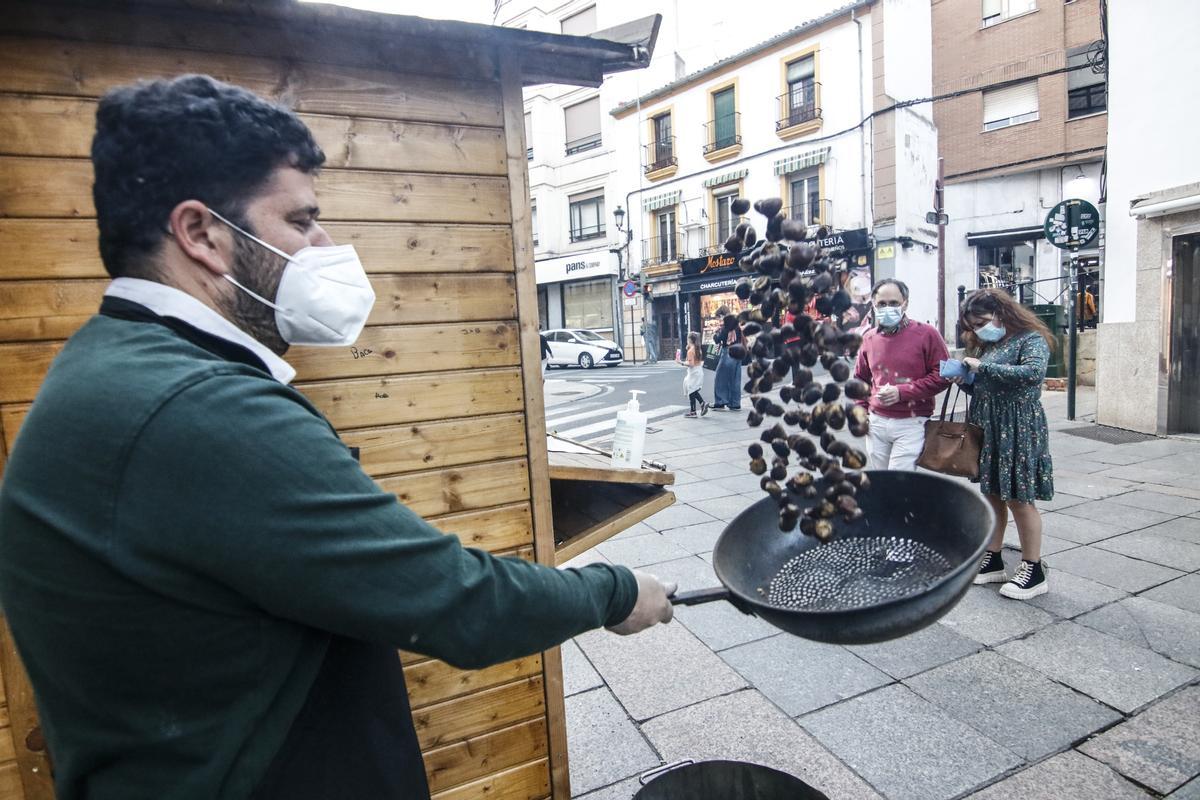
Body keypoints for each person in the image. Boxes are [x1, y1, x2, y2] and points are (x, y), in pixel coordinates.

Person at [0, 75, 677, 800]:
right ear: (201, 234)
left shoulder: (112, 361)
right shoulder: (198, 408)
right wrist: (613, 591)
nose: (327, 246)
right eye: (301, 220)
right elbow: (454, 602)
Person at [953, 288, 1055, 599]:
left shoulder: (1031, 338)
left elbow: (1032, 374)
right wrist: (967, 382)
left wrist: (981, 368)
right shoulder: (989, 344)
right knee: (993, 495)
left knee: (1020, 499)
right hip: (990, 427)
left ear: (1002, 312)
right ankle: (993, 559)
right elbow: (990, 386)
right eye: (973, 325)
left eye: (982, 321)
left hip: (1019, 427)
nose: (979, 328)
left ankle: (1032, 569)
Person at [853, 279, 950, 470]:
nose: (887, 308)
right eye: (881, 304)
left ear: (905, 302)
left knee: (900, 482)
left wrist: (902, 392)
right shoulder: (869, 338)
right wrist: (861, 410)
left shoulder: (926, 334)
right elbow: (860, 379)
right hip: (876, 422)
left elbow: (943, 375)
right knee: (883, 482)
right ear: (873, 304)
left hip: (912, 422)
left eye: (894, 303)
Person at [711, 310, 744, 411]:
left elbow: (718, 340)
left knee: (720, 379)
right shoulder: (737, 329)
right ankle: (735, 403)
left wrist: (715, 333)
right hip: (738, 353)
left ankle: (720, 402)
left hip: (728, 354)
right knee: (735, 379)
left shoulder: (725, 329)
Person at [678, 331, 709, 418]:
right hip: (698, 371)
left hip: (694, 372)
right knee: (692, 390)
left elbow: (691, 364)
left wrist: (681, 363)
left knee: (691, 390)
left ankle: (694, 411)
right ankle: (699, 406)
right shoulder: (697, 348)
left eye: (688, 339)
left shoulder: (691, 351)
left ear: (690, 340)